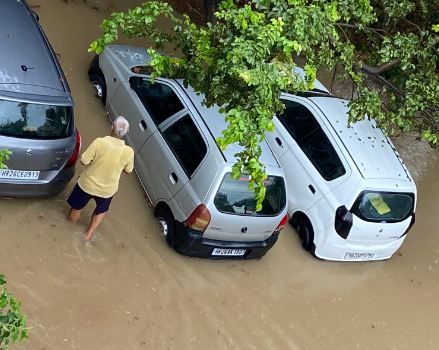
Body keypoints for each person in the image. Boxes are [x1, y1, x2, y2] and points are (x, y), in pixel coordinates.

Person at [67, 116, 134, 241]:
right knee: (101, 211)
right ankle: (88, 235)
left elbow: (84, 161)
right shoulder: (129, 152)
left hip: (87, 184)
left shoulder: (99, 142)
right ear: (127, 132)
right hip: (107, 190)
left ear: (111, 128)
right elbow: (128, 171)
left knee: (77, 207)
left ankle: (69, 228)